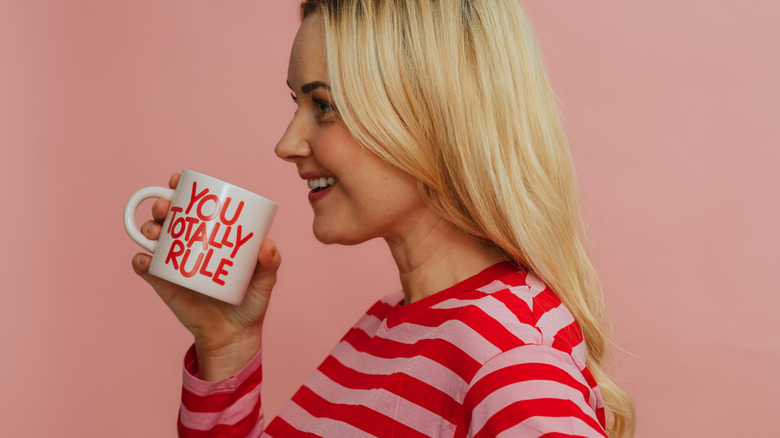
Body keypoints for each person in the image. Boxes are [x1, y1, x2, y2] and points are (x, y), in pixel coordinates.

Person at [132, 0, 636, 436]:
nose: (286, 144)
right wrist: (227, 349)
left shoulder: (509, 357)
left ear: (430, 115)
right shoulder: (383, 326)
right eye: (296, 104)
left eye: (323, 105)